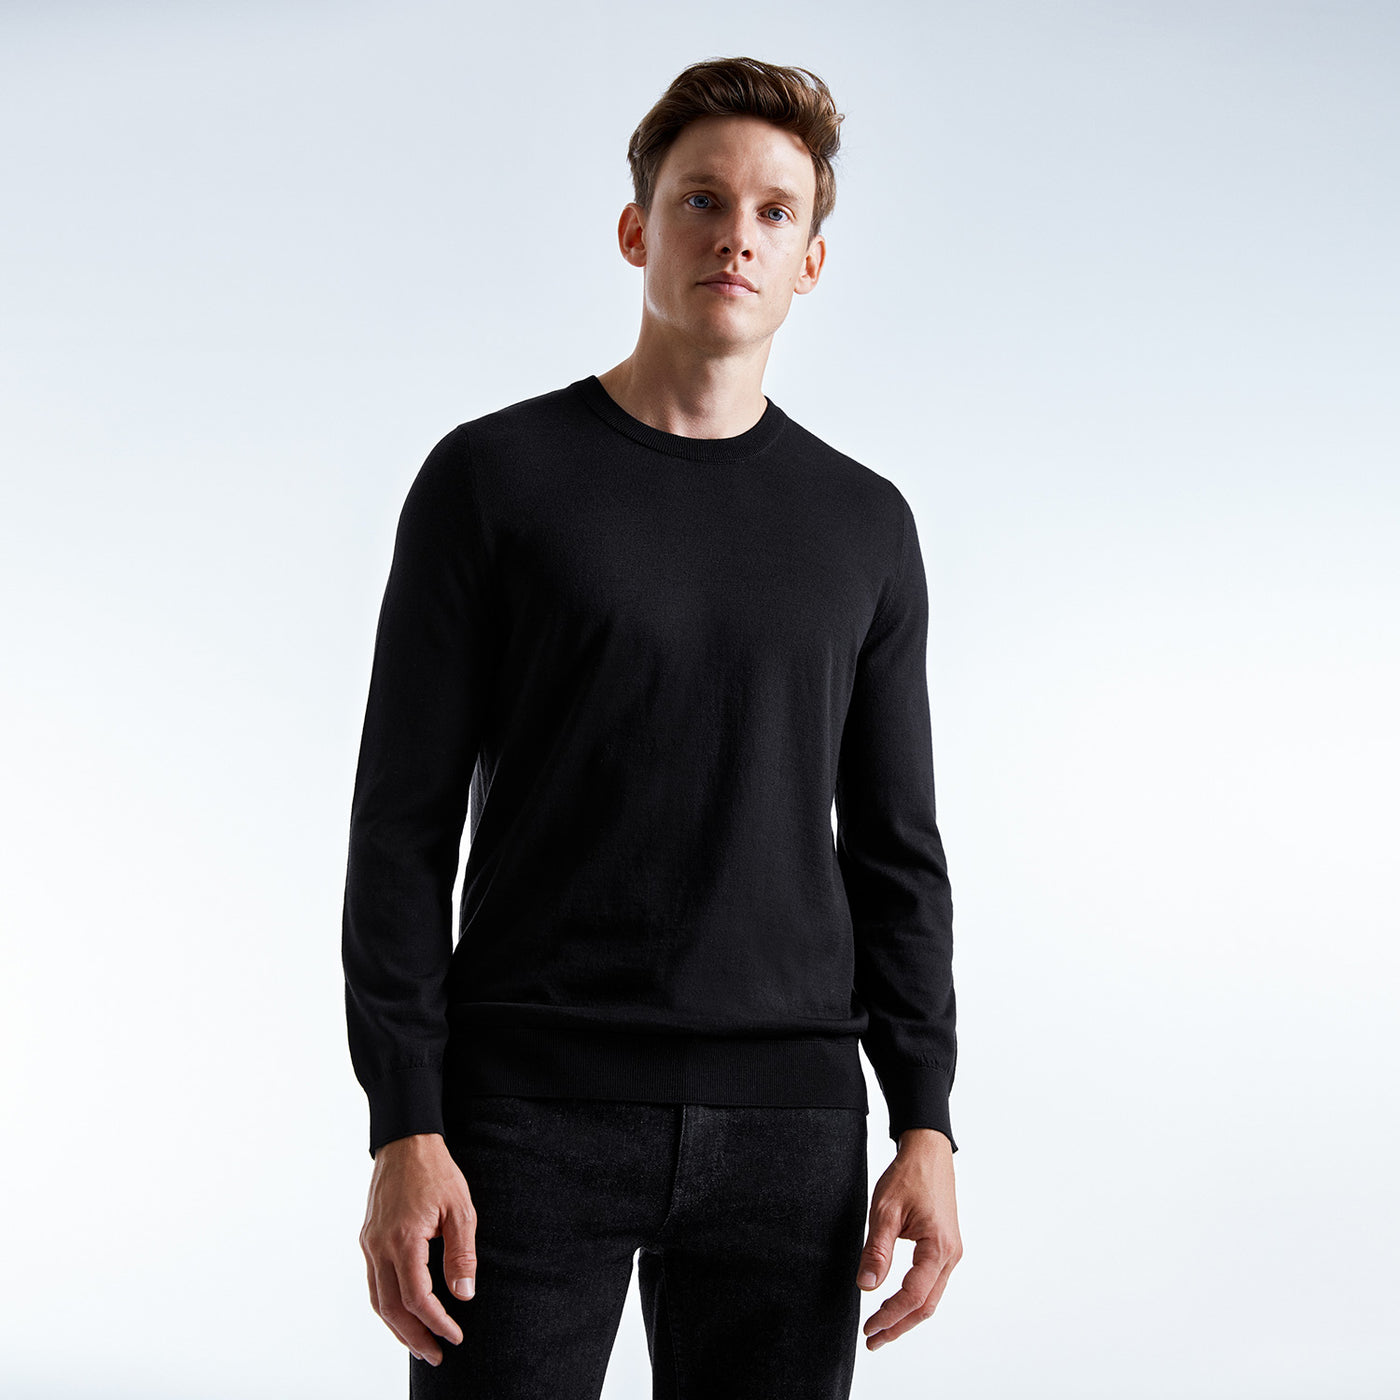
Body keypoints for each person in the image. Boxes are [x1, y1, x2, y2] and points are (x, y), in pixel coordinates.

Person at [341, 54, 963, 1399]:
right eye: (701, 199)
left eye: (776, 211)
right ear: (637, 229)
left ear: (810, 260)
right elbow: (399, 830)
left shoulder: (864, 526)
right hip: (524, 1120)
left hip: (789, 1130)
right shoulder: (491, 482)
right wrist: (404, 1120)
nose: (738, 233)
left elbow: (897, 852)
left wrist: (927, 1116)